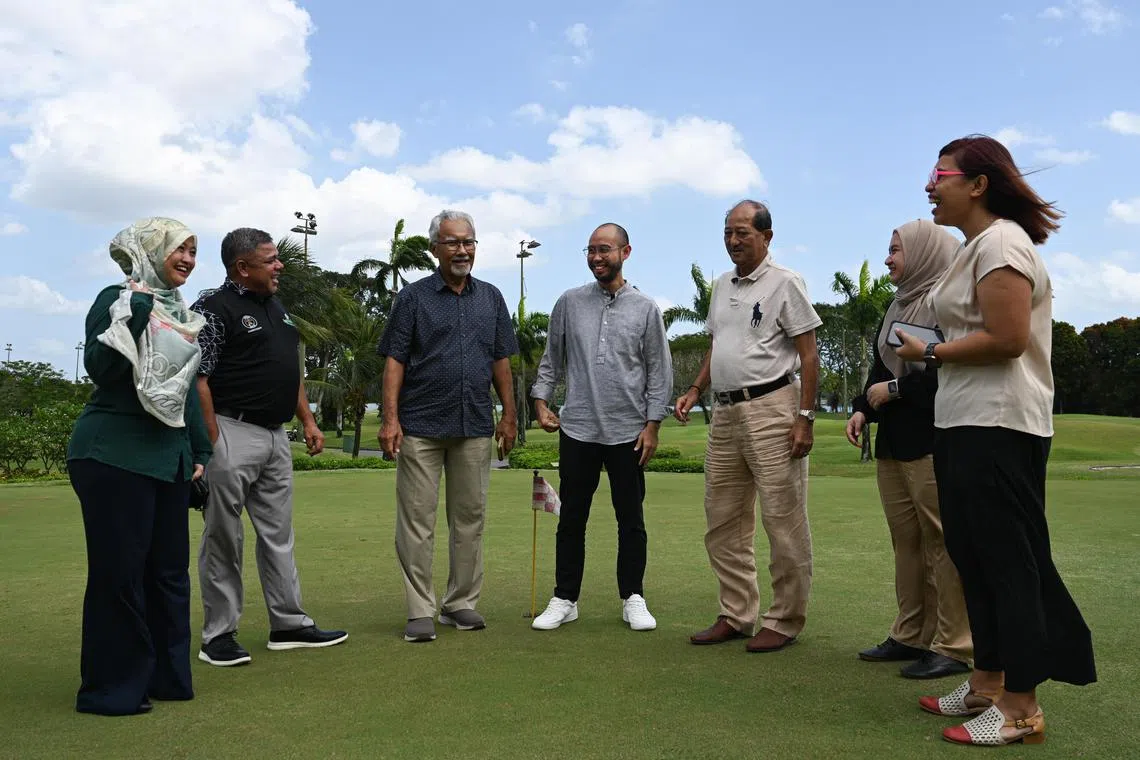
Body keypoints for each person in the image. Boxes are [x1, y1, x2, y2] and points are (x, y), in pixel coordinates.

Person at [894, 135, 1096, 746]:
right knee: (973, 556)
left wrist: (930, 352)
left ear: (978, 184)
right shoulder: (974, 247)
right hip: (964, 422)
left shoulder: (1003, 243)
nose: (929, 187)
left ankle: (1021, 708)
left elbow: (1008, 338)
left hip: (1002, 425)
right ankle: (987, 683)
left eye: (940, 176)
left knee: (1008, 563)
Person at [67, 217, 211, 715]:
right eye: (179, 249)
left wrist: (200, 453)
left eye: (193, 251)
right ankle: (112, 690)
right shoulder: (118, 298)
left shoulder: (181, 313)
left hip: (168, 459)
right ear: (151, 250)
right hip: (113, 453)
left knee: (169, 574)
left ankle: (165, 678)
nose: (188, 259)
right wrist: (136, 310)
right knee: (120, 575)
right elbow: (103, 369)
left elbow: (184, 390)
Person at [192, 228, 347, 666]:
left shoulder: (276, 307)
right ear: (242, 267)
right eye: (271, 260)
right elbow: (198, 377)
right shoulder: (212, 309)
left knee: (278, 534)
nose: (279, 266)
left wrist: (308, 420)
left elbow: (288, 371)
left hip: (276, 436)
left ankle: (288, 624)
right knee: (224, 536)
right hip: (231, 430)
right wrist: (212, 439)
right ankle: (219, 635)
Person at [675, 200, 821, 653]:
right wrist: (696, 389)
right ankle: (736, 614)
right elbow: (718, 345)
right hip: (724, 412)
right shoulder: (722, 285)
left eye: (743, 232)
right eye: (728, 232)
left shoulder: (786, 282)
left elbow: (809, 355)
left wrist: (805, 418)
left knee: (783, 519)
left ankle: (785, 620)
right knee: (722, 519)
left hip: (772, 408)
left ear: (766, 236)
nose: (733, 240)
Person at [377, 209, 519, 643]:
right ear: (435, 248)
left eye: (468, 242)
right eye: (453, 242)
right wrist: (390, 419)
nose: (462, 250)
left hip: (474, 423)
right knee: (417, 521)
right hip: (420, 425)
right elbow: (395, 360)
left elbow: (501, 361)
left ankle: (460, 603)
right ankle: (420, 609)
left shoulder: (491, 297)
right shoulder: (413, 298)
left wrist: (509, 415)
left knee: (470, 518)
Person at [528, 223, 673, 632]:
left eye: (604, 249)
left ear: (625, 252)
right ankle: (565, 598)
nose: (596, 257)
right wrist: (541, 402)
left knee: (631, 519)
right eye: (590, 250)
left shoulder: (646, 308)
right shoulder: (569, 302)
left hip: (629, 431)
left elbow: (659, 372)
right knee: (572, 518)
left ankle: (633, 597)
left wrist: (653, 425)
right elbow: (551, 359)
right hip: (578, 428)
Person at [847, 219, 973, 680]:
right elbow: (881, 369)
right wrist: (863, 408)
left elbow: (952, 371)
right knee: (907, 542)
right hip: (894, 442)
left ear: (923, 252)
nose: (888, 259)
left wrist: (896, 390)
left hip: (933, 438)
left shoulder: (949, 302)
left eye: (896, 250)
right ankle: (911, 634)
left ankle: (953, 645)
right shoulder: (898, 304)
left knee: (942, 541)